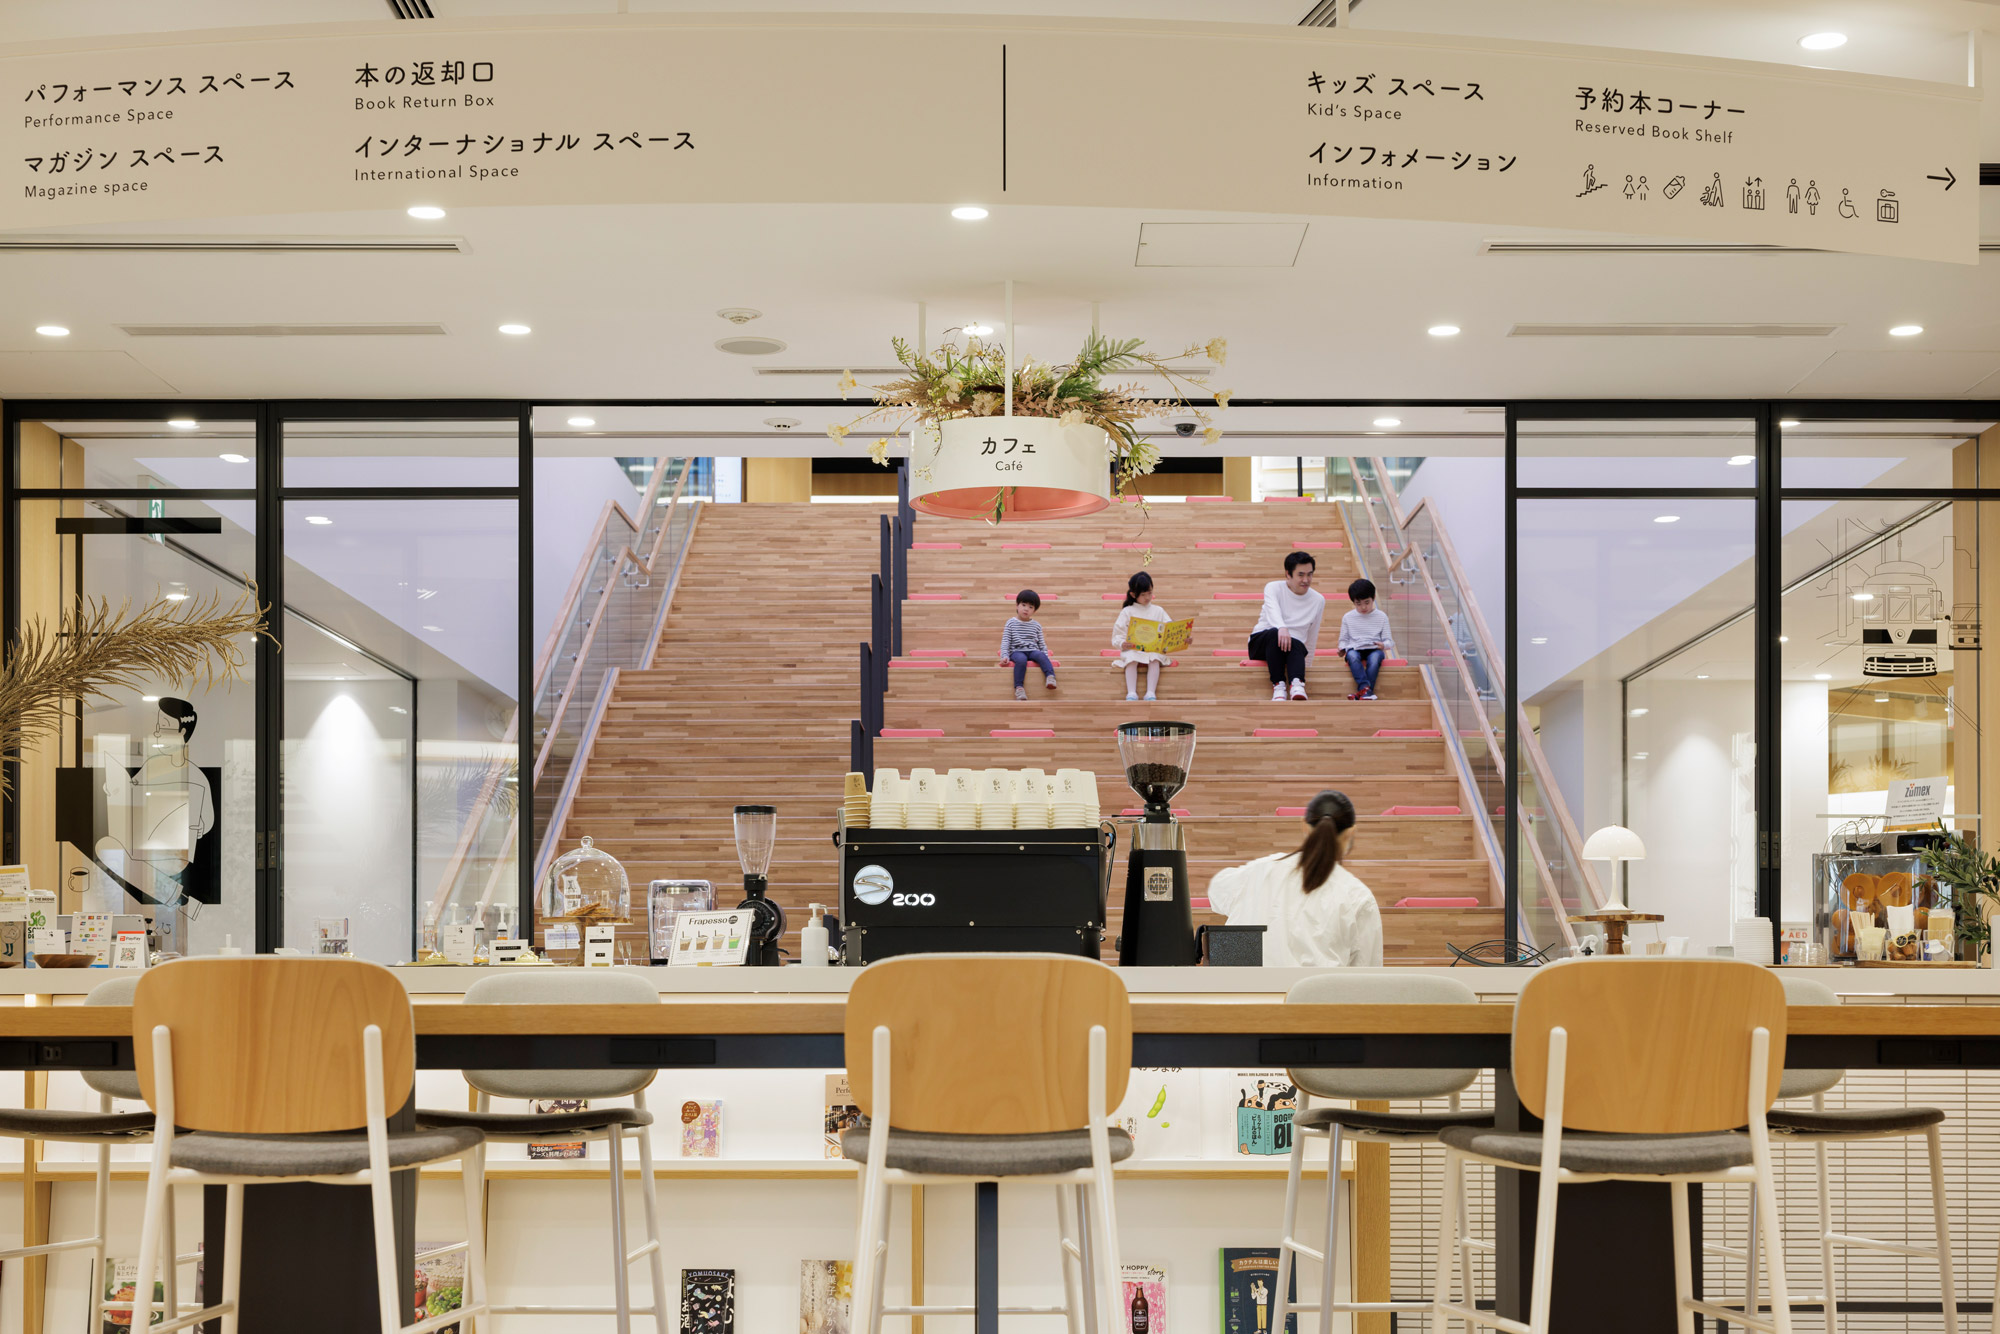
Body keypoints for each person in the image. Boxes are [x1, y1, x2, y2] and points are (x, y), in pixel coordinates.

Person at [1206, 790, 1382, 967]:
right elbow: (1366, 977)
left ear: (1304, 826)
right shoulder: (1358, 896)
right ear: (1350, 833)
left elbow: (1216, 891)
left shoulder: (1258, 870)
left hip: (1236, 991)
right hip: (1309, 993)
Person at [1247, 551, 1326, 702]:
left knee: (1296, 641)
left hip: (1293, 648)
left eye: (1310, 574)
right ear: (1288, 574)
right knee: (1275, 633)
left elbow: (1312, 635)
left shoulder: (1318, 600)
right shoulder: (1273, 588)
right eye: (1300, 575)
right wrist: (1282, 627)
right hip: (1262, 642)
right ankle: (1278, 685)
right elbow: (1273, 611)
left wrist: (1306, 665)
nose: (1306, 580)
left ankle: (1297, 684)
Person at [1111, 570, 1175, 702]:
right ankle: (1132, 692)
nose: (1147, 597)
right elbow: (1118, 634)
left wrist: (1181, 638)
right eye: (1143, 594)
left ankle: (1150, 692)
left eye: (1150, 593)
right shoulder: (1127, 611)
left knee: (1154, 658)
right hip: (1134, 648)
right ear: (1133, 594)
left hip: (1152, 648)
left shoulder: (1158, 610)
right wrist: (1123, 643)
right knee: (1131, 658)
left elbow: (1171, 629)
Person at [1339, 577, 1397, 701]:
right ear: (1353, 602)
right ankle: (1366, 691)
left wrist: (1383, 645)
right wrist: (1342, 649)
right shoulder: (1348, 617)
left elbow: (1390, 641)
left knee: (1375, 658)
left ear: (1373, 598)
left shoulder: (1381, 616)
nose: (1363, 607)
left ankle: (1363, 690)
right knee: (1353, 656)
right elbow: (1343, 640)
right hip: (1355, 648)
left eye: (1367, 602)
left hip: (1374, 648)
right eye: (1358, 604)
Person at [999, 588, 1056, 700]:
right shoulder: (1010, 623)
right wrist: (1004, 656)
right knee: (1021, 660)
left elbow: (1042, 643)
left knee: (1040, 655)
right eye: (1023, 605)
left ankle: (1050, 676)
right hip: (1016, 651)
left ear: (1034, 611)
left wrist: (1045, 656)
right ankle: (1019, 688)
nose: (1026, 609)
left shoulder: (1036, 625)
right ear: (1017, 605)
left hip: (1032, 650)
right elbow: (1006, 641)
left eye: (1031, 607)